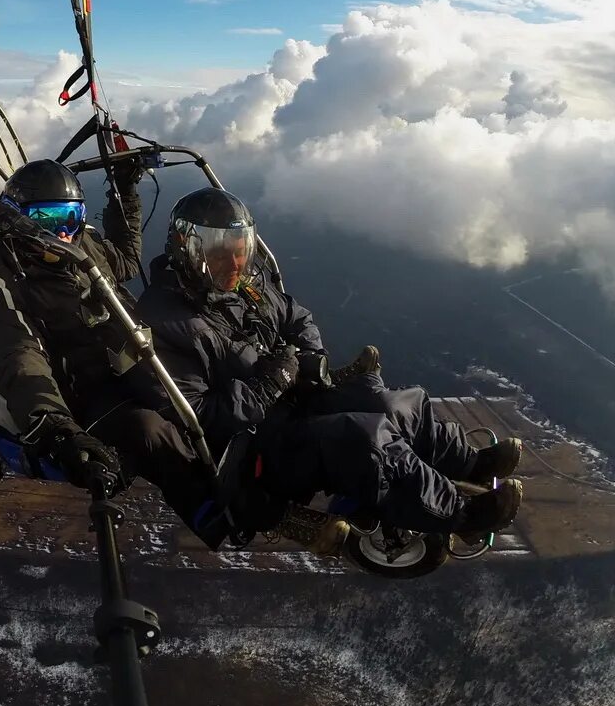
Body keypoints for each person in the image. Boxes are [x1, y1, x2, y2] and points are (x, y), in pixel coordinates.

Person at [133, 187, 523, 554]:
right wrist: (271, 384)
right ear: (190, 250)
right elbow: (199, 417)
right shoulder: (165, 322)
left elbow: (296, 317)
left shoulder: (246, 285)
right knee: (363, 437)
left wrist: (308, 359)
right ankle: (461, 516)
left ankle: (470, 462)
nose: (235, 263)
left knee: (388, 400)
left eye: (240, 251)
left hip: (297, 397)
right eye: (222, 255)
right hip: (258, 444)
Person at [0, 158, 330, 554]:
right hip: (91, 388)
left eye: (70, 217)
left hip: (138, 355)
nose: (61, 233)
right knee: (154, 431)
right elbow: (19, 355)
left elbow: (124, 259)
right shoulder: (3, 275)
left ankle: (285, 462)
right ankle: (227, 516)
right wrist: (54, 426)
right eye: (45, 220)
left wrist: (124, 192)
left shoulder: (81, 242)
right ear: (16, 220)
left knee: (213, 388)